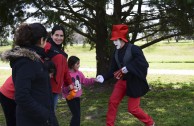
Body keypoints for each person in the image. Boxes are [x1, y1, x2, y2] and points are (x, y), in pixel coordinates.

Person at [0, 23, 59, 126]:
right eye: (46, 40)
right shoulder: (26, 62)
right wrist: (45, 115)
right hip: (32, 120)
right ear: (41, 40)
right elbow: (22, 96)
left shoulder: (34, 59)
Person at [96, 24, 155, 126]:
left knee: (133, 109)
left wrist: (128, 68)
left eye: (115, 40)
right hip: (122, 82)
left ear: (122, 39)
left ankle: (150, 123)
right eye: (113, 40)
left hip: (135, 82)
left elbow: (143, 64)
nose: (114, 42)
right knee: (112, 102)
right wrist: (104, 77)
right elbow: (112, 69)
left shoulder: (134, 49)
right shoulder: (116, 52)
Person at [44, 25, 74, 110]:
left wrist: (70, 84)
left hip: (56, 90)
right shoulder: (46, 47)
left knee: (51, 114)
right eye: (56, 35)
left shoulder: (62, 53)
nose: (59, 38)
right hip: (45, 89)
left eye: (61, 36)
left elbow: (65, 71)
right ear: (51, 35)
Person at [61, 56, 97, 126]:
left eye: (79, 63)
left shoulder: (79, 73)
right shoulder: (66, 75)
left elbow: (85, 81)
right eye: (77, 64)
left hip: (77, 97)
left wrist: (94, 80)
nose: (79, 65)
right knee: (76, 115)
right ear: (72, 64)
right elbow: (63, 90)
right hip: (70, 97)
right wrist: (68, 88)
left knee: (78, 115)